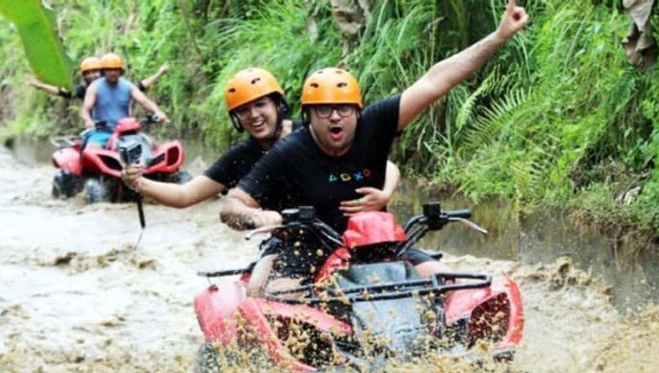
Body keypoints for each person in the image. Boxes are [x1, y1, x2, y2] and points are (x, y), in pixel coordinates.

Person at [221, 0, 529, 283]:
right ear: (308, 116)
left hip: (377, 247)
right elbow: (231, 205)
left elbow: (435, 81)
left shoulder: (375, 124)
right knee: (268, 290)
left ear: (357, 112)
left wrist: (499, 36)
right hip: (309, 253)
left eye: (344, 109)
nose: (335, 117)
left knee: (449, 283)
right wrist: (254, 217)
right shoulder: (288, 152)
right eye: (323, 110)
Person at [122, 67, 400, 295]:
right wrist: (139, 183)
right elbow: (186, 196)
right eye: (244, 110)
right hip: (290, 241)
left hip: (350, 231)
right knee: (258, 289)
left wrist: (384, 193)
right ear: (237, 118)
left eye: (260, 104)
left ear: (278, 104)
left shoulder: (315, 132)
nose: (254, 115)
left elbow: (381, 165)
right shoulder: (240, 158)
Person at [81, 53, 168, 147]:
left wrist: (157, 111)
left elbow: (144, 101)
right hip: (102, 132)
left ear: (120, 71)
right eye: (109, 70)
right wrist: (88, 121)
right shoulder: (94, 87)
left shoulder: (128, 86)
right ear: (104, 72)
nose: (112, 73)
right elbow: (85, 110)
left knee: (151, 145)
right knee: (92, 148)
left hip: (126, 132)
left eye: (115, 70)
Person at [28, 57, 169, 101]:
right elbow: (63, 92)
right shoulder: (85, 90)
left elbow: (140, 86)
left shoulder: (120, 86)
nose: (92, 76)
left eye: (95, 72)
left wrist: (159, 74)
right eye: (88, 73)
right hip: (98, 129)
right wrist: (40, 86)